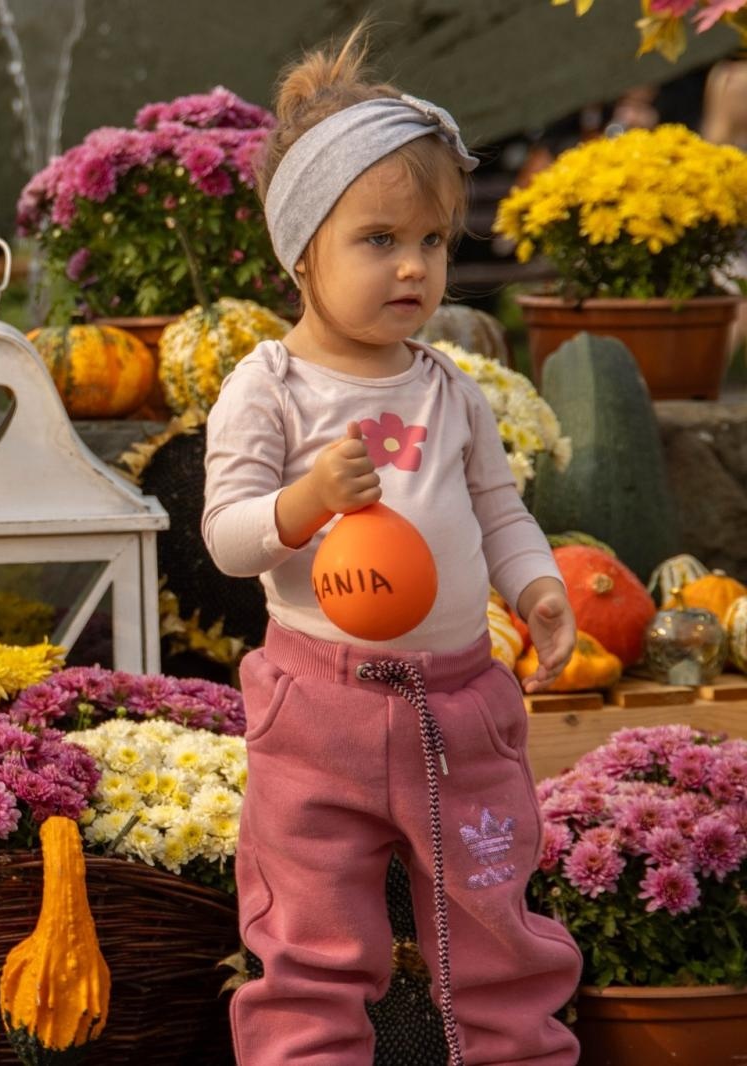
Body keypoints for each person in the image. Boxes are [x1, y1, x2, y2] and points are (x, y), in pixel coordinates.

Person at [201, 25, 583, 1066]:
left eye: (433, 242)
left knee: (497, 924)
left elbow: (499, 510)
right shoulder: (267, 389)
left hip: (462, 702)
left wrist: (539, 589)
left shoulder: (447, 387)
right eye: (378, 240)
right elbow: (229, 539)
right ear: (301, 250)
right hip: (317, 709)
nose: (412, 266)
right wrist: (305, 501)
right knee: (308, 938)